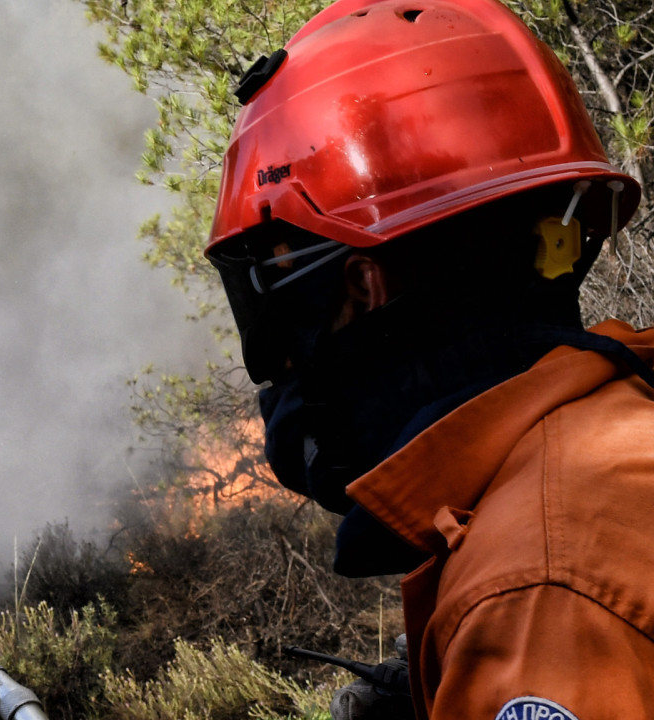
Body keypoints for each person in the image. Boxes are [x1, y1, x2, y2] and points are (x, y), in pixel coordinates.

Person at [205, 0, 654, 717]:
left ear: (362, 284)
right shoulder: (623, 425)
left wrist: (507, 653)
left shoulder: (535, 590)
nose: (282, 360)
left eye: (279, 302)